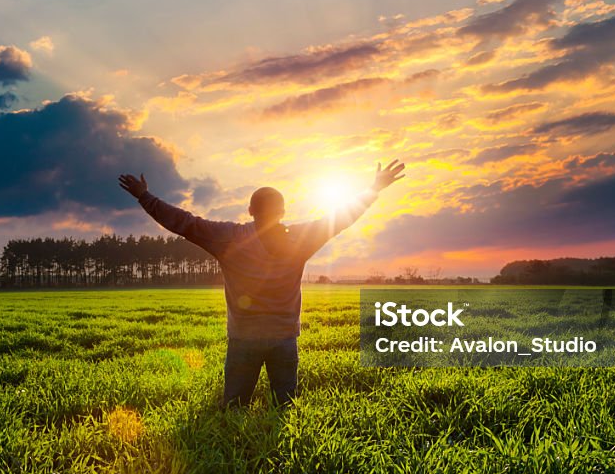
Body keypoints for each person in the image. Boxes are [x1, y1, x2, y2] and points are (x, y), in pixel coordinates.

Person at [118, 159, 405, 408]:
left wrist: (145, 196)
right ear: (282, 211)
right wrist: (374, 189)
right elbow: (341, 218)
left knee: (233, 410)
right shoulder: (301, 237)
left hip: (244, 338)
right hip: (285, 339)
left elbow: (183, 222)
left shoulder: (229, 237)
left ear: (250, 210)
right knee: (284, 412)